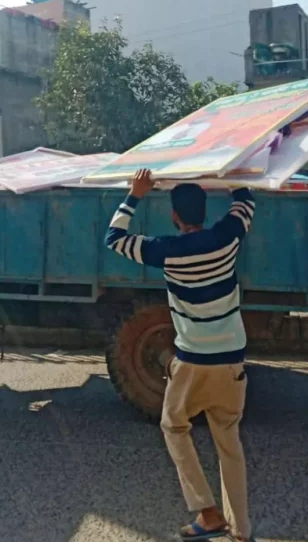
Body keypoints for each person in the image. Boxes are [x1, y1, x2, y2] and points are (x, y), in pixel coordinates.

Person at [104, 169, 255, 542]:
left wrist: (136, 194)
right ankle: (241, 529)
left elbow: (114, 238)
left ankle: (208, 513)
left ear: (174, 216)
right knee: (229, 442)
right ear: (205, 211)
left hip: (192, 362)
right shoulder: (226, 239)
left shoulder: (167, 251)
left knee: (174, 426)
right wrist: (230, 173)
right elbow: (245, 201)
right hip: (232, 360)